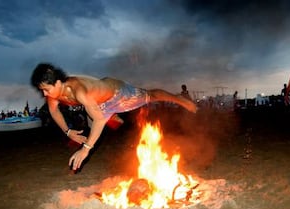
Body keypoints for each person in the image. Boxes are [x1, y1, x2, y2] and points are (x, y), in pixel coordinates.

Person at [31, 63, 197, 171]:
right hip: (100, 104)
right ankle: (113, 116)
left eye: (46, 89)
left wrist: (85, 149)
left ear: (58, 83)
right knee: (94, 117)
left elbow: (99, 120)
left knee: (151, 96)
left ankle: (179, 99)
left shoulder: (79, 90)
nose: (45, 94)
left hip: (118, 94)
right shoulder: (53, 94)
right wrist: (68, 131)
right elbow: (54, 111)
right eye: (42, 90)